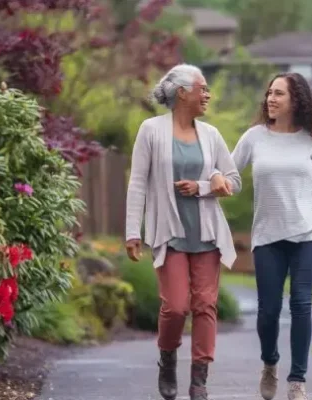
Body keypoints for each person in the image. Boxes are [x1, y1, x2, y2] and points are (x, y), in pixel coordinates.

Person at [213, 72, 312, 400]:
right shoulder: (255, 137)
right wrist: (220, 182)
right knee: (268, 310)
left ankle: (297, 380)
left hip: (307, 232)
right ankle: (270, 363)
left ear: (296, 100)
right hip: (268, 235)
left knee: (301, 303)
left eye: (279, 93)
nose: (271, 98)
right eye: (269, 92)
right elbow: (232, 174)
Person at [124, 63, 239, 400]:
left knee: (205, 304)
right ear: (181, 92)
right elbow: (137, 183)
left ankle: (199, 379)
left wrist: (206, 185)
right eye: (202, 88)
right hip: (169, 232)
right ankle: (168, 357)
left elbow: (234, 181)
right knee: (175, 307)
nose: (208, 94)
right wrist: (133, 231)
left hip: (206, 234)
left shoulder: (212, 135)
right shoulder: (151, 130)